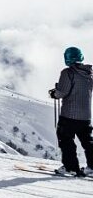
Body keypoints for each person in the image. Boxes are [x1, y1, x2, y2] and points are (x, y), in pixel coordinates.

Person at [49, 46, 93, 176]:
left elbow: (62, 92)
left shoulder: (67, 73)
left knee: (65, 139)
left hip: (69, 115)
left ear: (67, 58)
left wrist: (54, 93)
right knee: (88, 142)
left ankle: (71, 167)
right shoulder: (89, 73)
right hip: (86, 116)